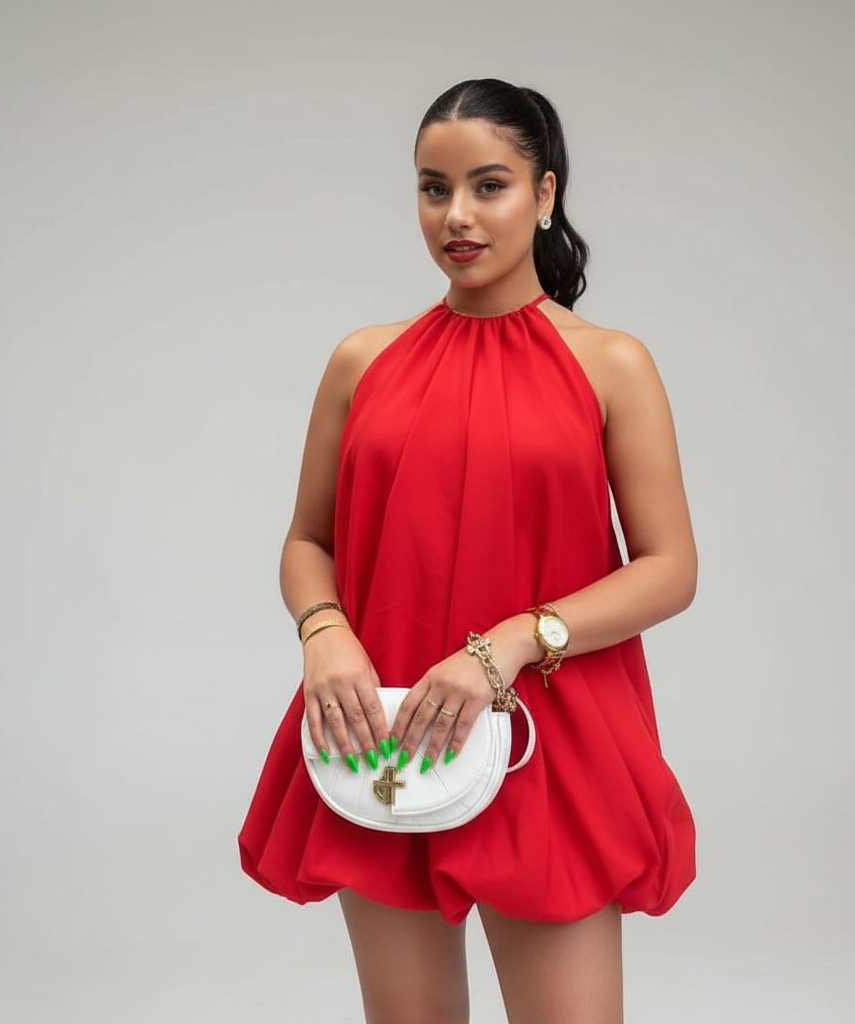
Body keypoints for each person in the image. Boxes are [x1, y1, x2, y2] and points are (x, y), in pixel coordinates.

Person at [238, 78, 698, 1024]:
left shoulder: (609, 364)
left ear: (546, 192)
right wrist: (325, 635)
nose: (456, 215)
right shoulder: (363, 360)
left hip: (547, 735)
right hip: (386, 730)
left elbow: (669, 568)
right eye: (431, 187)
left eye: (489, 186)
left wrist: (511, 645)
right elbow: (307, 540)